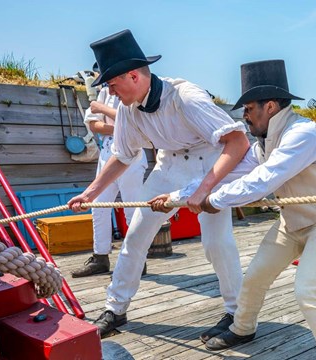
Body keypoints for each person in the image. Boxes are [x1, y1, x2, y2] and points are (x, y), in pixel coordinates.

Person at [150, 59, 316, 359]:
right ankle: (242, 327)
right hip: (293, 221)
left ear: (270, 106)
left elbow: (261, 181)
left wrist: (211, 202)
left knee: (309, 291)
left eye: (248, 109)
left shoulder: (302, 134)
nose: (244, 117)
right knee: (255, 279)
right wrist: (175, 197)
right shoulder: (264, 143)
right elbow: (231, 176)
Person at [68, 29, 250, 338]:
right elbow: (124, 156)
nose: (110, 92)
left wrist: (203, 189)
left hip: (210, 164)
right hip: (168, 165)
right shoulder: (128, 110)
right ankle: (116, 309)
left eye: (112, 84)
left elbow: (237, 141)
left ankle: (238, 314)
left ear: (133, 77)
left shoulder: (186, 97)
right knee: (135, 238)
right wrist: (90, 192)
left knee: (216, 244)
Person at [71, 62, 148, 278]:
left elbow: (135, 121)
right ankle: (100, 257)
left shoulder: (133, 92)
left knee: (132, 208)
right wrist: (121, 125)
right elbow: (94, 125)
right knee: (99, 207)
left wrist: (103, 110)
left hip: (131, 157)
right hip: (107, 155)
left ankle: (136, 259)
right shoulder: (105, 92)